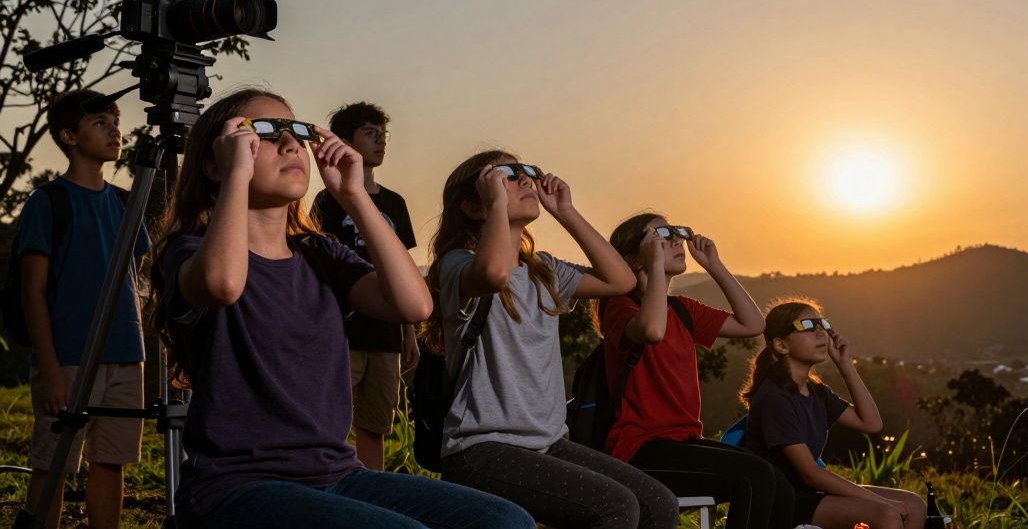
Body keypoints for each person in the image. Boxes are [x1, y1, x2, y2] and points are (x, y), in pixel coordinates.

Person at [150, 89, 533, 529]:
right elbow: (222, 284)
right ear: (217, 161)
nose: (291, 143)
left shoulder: (321, 254)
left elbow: (414, 304)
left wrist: (354, 196)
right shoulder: (191, 251)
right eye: (263, 134)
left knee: (504, 520)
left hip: (336, 473)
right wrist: (236, 173)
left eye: (295, 131)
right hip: (236, 485)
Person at [428, 151, 679, 529]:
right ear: (473, 206)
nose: (527, 179)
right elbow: (494, 273)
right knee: (616, 508)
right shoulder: (458, 265)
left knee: (659, 504)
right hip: (480, 447)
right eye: (506, 176)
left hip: (547, 443)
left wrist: (566, 211)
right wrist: (497, 202)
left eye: (527, 171)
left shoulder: (544, 271)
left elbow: (621, 282)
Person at [602, 213, 794, 529]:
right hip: (640, 450)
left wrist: (714, 265)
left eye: (677, 232)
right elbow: (651, 330)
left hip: (684, 442)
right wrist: (653, 269)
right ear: (634, 257)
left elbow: (752, 324)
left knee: (779, 482)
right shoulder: (620, 308)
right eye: (662, 235)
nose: (678, 240)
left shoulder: (682, 310)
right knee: (755, 476)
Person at [18, 89, 146, 529]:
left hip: (128, 355)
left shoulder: (128, 202)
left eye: (115, 121)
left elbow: (140, 280)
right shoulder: (48, 201)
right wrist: (50, 369)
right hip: (69, 358)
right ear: (69, 135)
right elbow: (31, 291)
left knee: (111, 463)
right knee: (53, 466)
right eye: (100, 123)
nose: (115, 130)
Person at [742, 299, 926, 529]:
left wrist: (845, 364)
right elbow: (811, 474)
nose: (820, 332)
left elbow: (870, 423)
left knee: (915, 504)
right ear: (781, 345)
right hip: (781, 499)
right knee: (887, 514)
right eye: (808, 325)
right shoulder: (774, 398)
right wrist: (883, 502)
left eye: (822, 324)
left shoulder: (816, 392)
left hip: (811, 493)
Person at [311, 101, 419, 469]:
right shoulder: (327, 200)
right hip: (342, 333)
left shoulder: (395, 203)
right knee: (333, 421)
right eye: (371, 134)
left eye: (383, 135)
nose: (381, 142)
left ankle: (372, 493)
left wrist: (410, 334)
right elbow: (319, 267)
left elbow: (404, 269)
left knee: (375, 426)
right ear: (344, 141)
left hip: (387, 335)